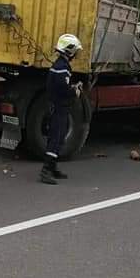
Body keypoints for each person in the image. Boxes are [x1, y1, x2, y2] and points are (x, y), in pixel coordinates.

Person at [40, 33, 83, 185]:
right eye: (75, 51)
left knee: (59, 137)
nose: (76, 54)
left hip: (59, 107)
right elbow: (62, 89)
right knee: (56, 138)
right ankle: (46, 171)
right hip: (59, 108)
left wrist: (72, 87)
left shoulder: (61, 65)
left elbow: (60, 86)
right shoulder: (62, 68)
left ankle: (52, 167)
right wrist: (74, 91)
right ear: (69, 50)